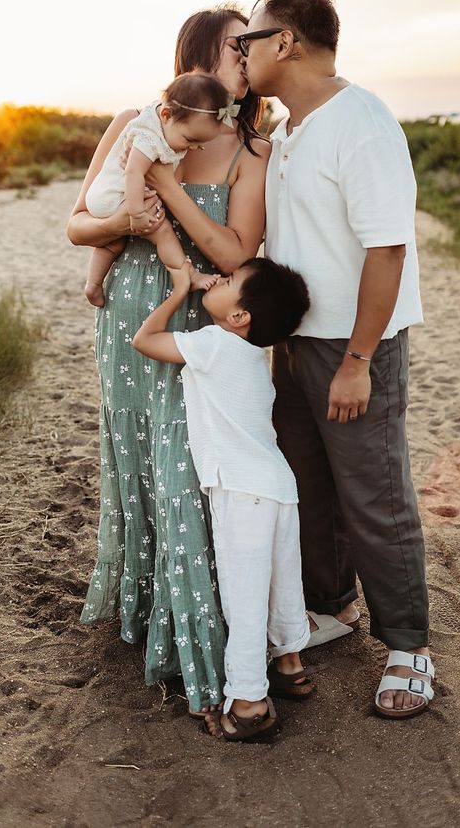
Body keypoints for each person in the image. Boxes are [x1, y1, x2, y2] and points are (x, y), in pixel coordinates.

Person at [67, 6, 271, 718]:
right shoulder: (133, 119)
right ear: (198, 58)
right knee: (143, 457)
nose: (246, 54)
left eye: (250, 45)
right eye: (233, 45)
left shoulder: (251, 148)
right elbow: (75, 225)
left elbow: (234, 255)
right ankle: (152, 610)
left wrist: (168, 184)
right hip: (133, 310)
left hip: (202, 317)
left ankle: (197, 633)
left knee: (189, 465)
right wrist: (126, 222)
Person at [239, 0, 435, 718]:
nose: (241, 52)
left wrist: (357, 359)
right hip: (295, 343)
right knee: (308, 486)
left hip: (356, 347)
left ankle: (409, 646)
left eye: (247, 40)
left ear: (284, 41)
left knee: (374, 496)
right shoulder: (291, 128)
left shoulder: (363, 124)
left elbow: (387, 250)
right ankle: (330, 607)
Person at [132, 256, 313, 743]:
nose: (218, 279)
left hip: (241, 490)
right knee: (282, 582)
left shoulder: (212, 345)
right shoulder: (254, 356)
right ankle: (292, 663)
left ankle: (251, 700)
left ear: (239, 318)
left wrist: (178, 289)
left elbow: (144, 340)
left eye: (228, 281)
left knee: (244, 597)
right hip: (277, 485)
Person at [83, 72, 238, 306]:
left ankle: (93, 284)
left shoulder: (162, 117)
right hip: (116, 197)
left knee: (113, 242)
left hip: (106, 197)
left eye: (201, 144)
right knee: (163, 232)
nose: (194, 147)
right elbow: (133, 172)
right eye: (190, 139)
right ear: (166, 115)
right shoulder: (149, 138)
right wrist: (136, 213)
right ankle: (188, 274)